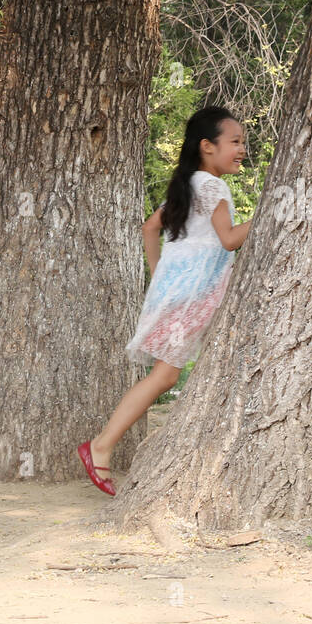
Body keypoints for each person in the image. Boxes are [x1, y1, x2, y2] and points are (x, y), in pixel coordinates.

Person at [78, 106, 251, 494]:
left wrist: (160, 276)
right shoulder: (211, 186)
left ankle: (106, 446)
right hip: (194, 295)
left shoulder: (188, 183)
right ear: (207, 146)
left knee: (169, 373)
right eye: (235, 142)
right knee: (165, 375)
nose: (242, 150)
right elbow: (229, 239)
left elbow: (149, 228)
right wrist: (270, 213)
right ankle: (101, 447)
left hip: (178, 291)